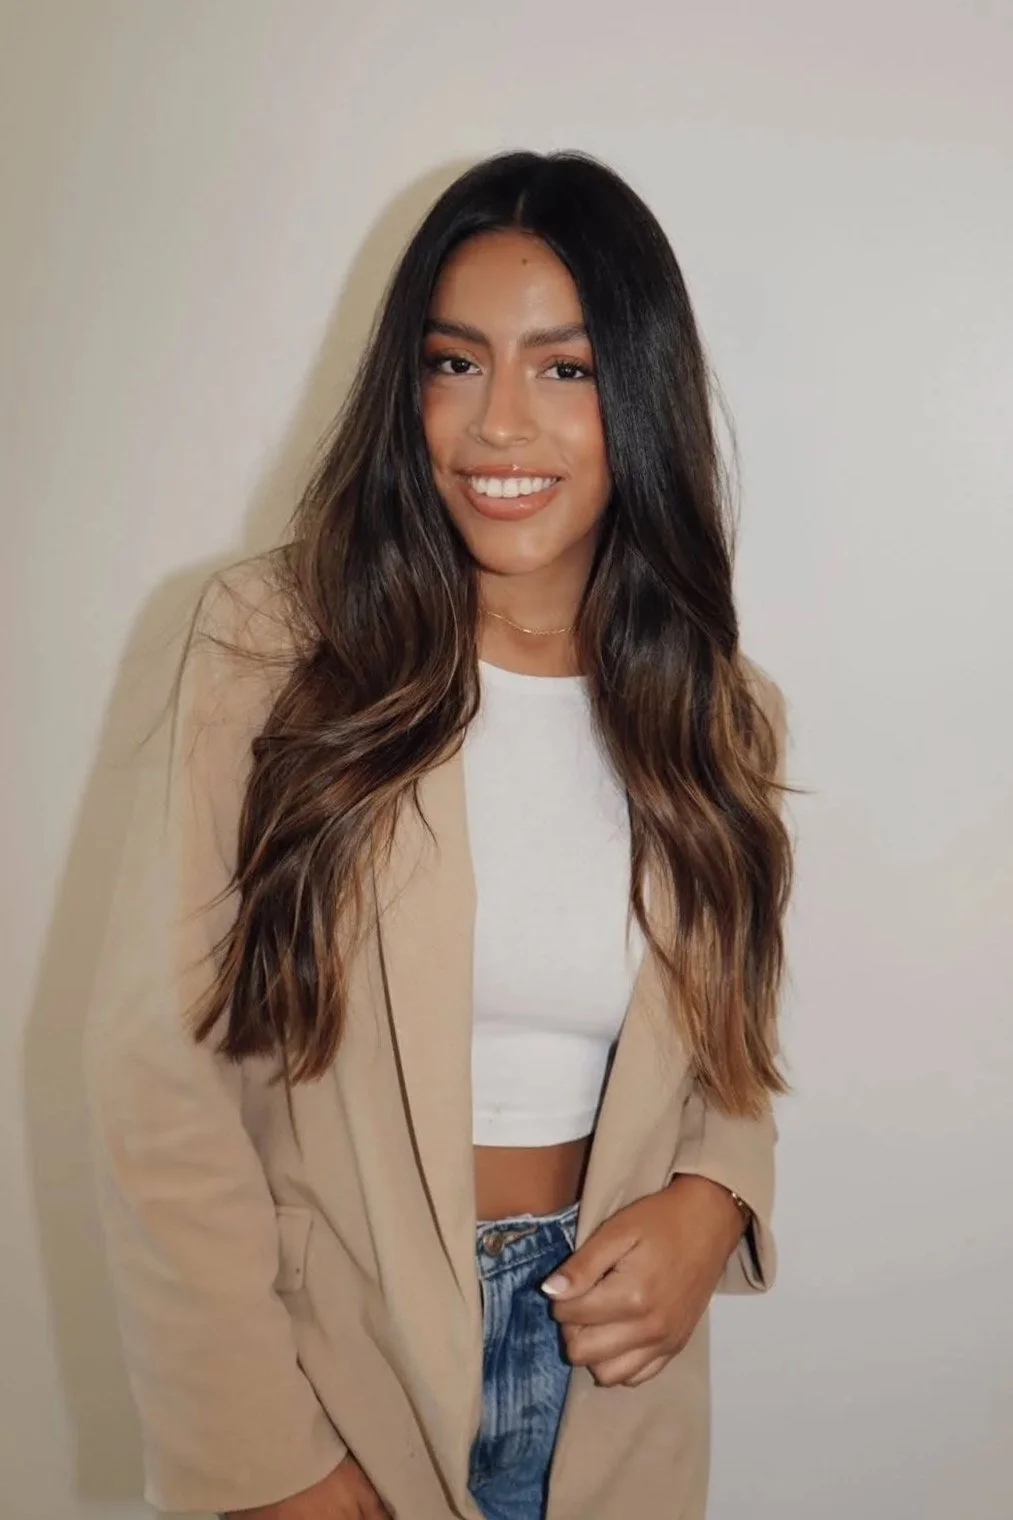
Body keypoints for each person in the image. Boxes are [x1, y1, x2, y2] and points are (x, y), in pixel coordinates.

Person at [85, 149, 793, 1520]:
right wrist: (266, 1459)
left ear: (637, 396)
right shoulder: (269, 649)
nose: (498, 427)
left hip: (613, 1388)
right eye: (455, 364)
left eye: (566, 369)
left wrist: (714, 1198)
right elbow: (155, 1080)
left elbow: (733, 1054)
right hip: (333, 1373)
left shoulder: (722, 713)